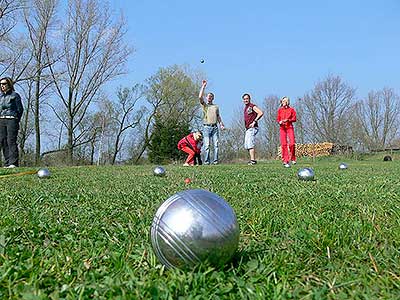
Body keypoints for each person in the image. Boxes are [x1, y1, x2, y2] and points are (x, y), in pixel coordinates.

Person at [199, 80, 224, 165]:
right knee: (207, 146)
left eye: (211, 97)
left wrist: (221, 124)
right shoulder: (205, 105)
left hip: (215, 127)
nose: (209, 98)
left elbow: (218, 116)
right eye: (208, 96)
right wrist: (203, 86)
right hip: (206, 127)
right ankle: (206, 162)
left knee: (216, 145)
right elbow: (199, 97)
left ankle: (215, 161)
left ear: (213, 98)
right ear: (206, 98)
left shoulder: (215, 106)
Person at [0, 77, 23, 168]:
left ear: (9, 84)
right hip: (1, 119)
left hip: (12, 119)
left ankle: (13, 163)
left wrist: (16, 119)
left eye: (4, 84)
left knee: (11, 140)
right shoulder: (1, 97)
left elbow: (20, 109)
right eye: (1, 84)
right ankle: (7, 162)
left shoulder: (15, 95)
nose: (2, 86)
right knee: (3, 141)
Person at [242, 93, 263, 165]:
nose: (245, 100)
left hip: (252, 128)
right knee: (247, 145)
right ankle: (251, 159)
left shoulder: (252, 106)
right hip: (248, 129)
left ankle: (253, 160)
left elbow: (260, 113)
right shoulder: (245, 108)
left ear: (249, 99)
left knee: (250, 144)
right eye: (244, 99)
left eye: (247, 99)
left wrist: (254, 121)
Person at [277, 96, 296, 168]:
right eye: (283, 101)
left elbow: (294, 118)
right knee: (284, 144)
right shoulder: (279, 110)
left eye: (286, 101)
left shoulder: (292, 110)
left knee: (292, 143)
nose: (285, 102)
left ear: (288, 102)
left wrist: (288, 120)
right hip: (282, 128)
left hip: (289, 127)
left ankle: (293, 158)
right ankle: (285, 160)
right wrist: (280, 122)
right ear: (281, 102)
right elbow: (278, 119)